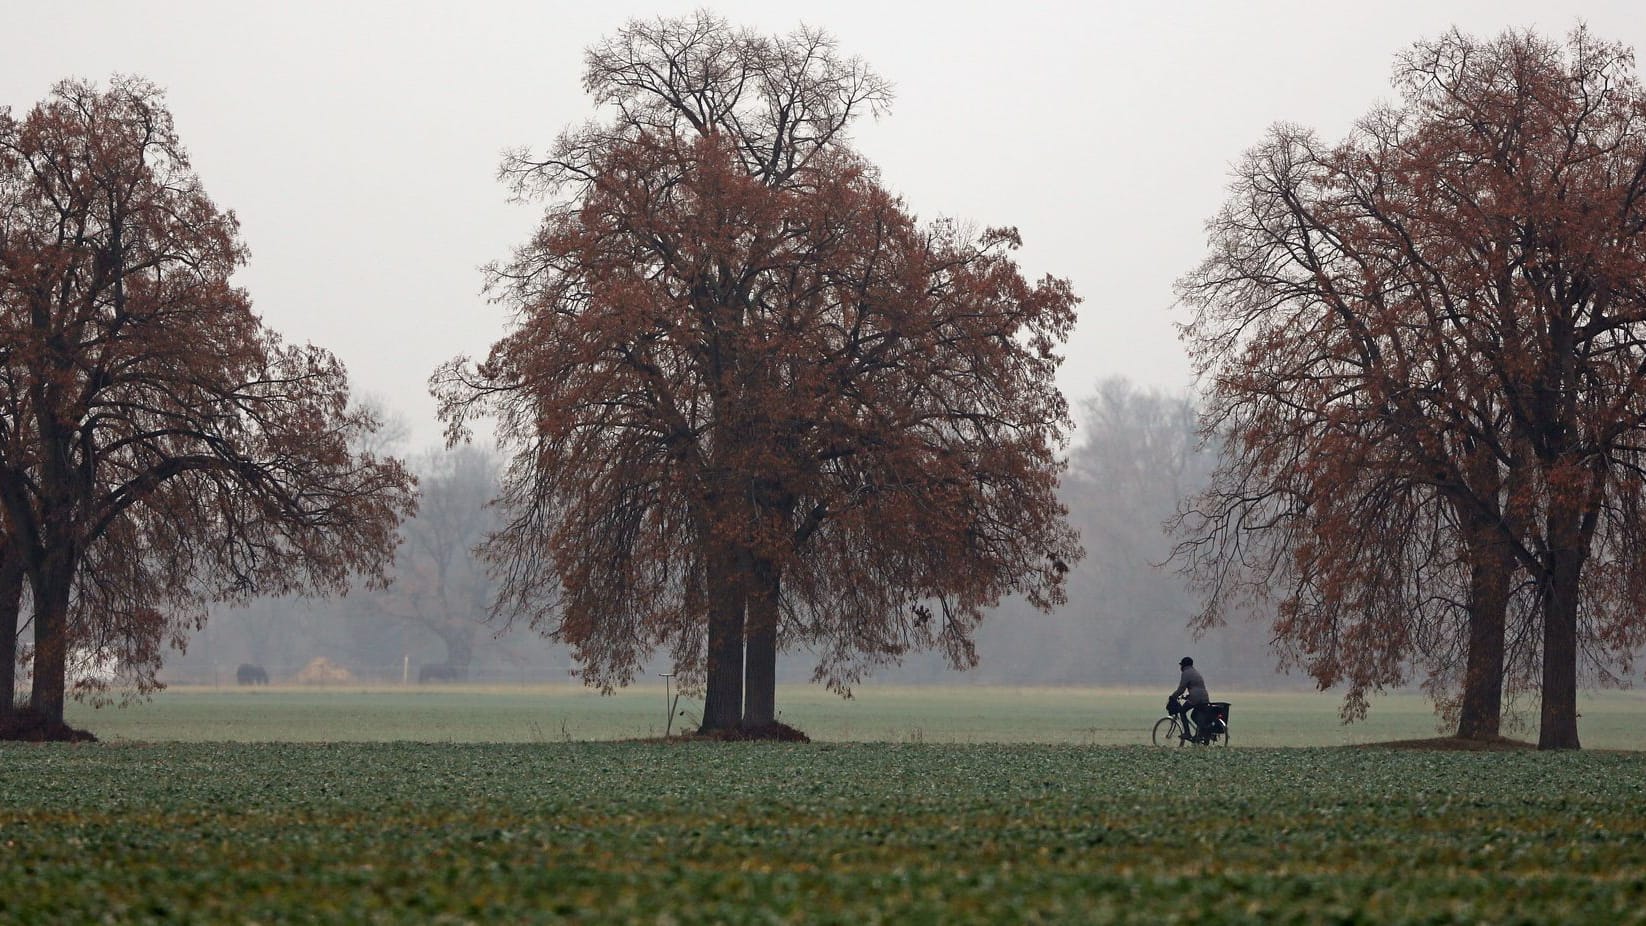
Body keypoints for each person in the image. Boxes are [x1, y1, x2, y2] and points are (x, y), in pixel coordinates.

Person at [1168, 656, 1213, 743]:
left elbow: (1181, 689)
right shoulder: (1195, 672)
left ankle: (1187, 733)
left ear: (1184, 665)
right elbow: (1197, 688)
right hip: (1204, 697)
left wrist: (1173, 696)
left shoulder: (1186, 673)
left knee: (1182, 711)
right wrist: (1187, 696)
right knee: (1194, 716)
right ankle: (1200, 734)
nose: (1180, 667)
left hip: (1196, 698)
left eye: (1181, 665)